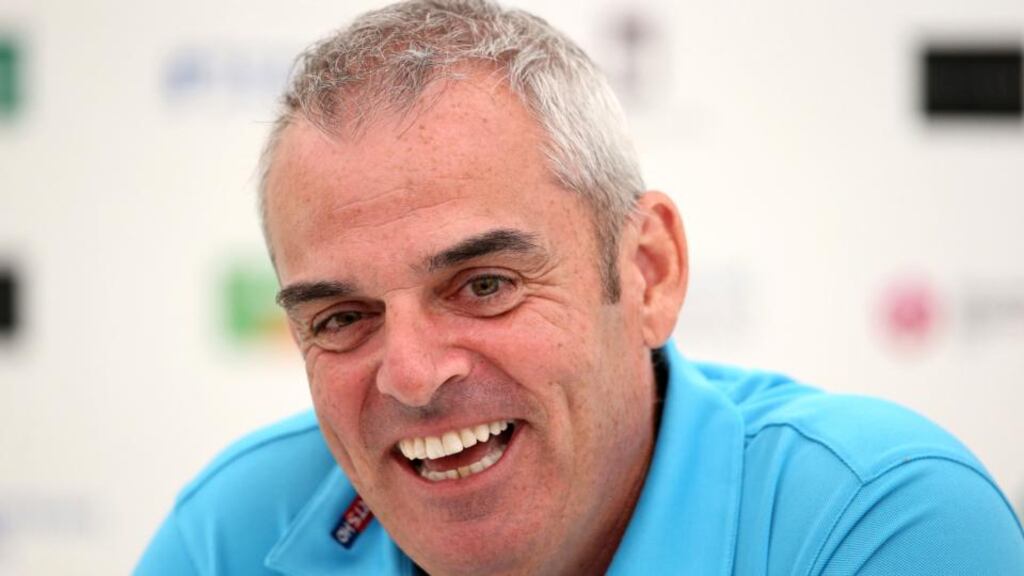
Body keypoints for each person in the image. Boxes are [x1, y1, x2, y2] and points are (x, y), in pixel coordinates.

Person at [135, 1, 1024, 574]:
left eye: (484, 284)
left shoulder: (878, 518)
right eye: (341, 318)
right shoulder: (237, 533)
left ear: (648, 272)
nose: (410, 374)